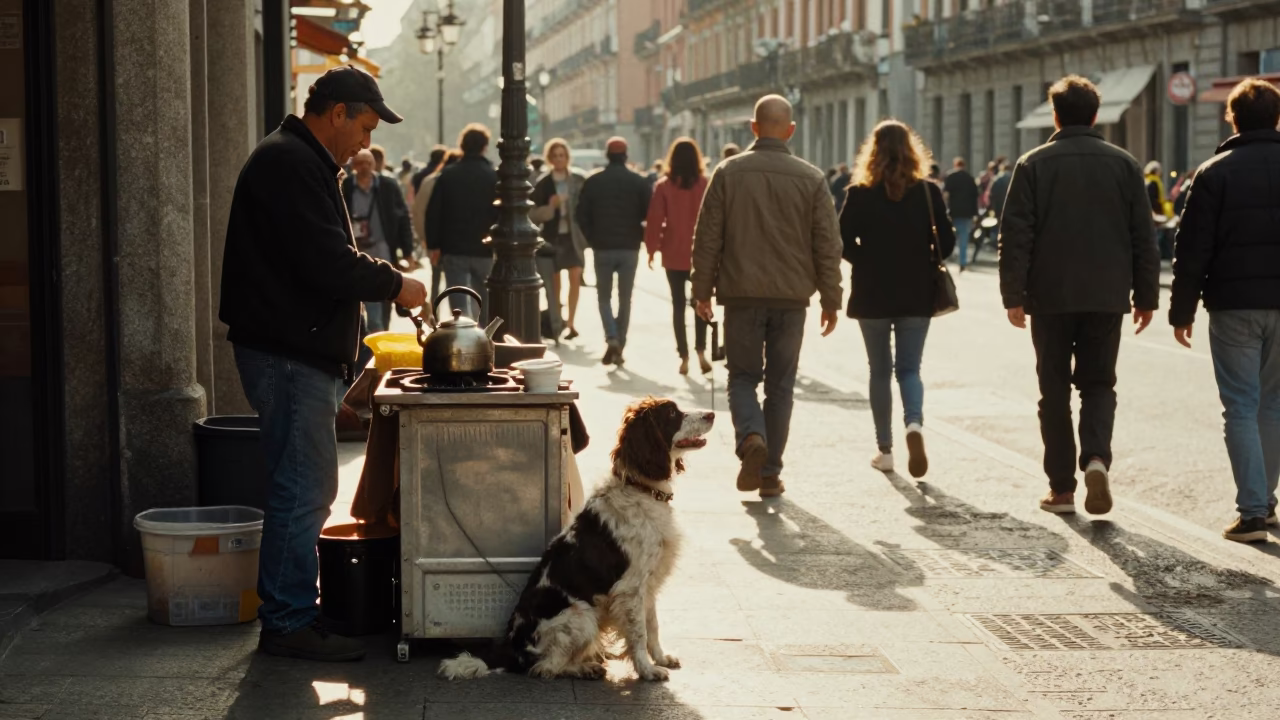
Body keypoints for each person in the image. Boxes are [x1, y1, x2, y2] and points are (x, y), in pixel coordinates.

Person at [219, 65, 427, 661]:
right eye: (363, 125)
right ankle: (287, 620)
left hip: (295, 350)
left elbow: (324, 259)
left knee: (303, 483)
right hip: (286, 354)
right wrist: (398, 285)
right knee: (304, 487)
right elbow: (328, 263)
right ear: (336, 112)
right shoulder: (288, 163)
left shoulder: (303, 161)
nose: (367, 140)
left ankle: (291, 612)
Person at [999, 74, 1160, 517]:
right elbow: (1143, 237)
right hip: (1107, 295)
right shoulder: (1125, 164)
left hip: (1049, 297)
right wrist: (1146, 295)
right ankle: (1095, 459)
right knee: (1098, 384)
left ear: (1055, 115)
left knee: (1053, 393)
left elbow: (1016, 234)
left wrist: (1013, 293)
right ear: (1095, 115)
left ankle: (1062, 489)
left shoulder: (1033, 164)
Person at [692, 94, 843, 498]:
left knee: (741, 377)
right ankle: (771, 473)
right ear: (790, 130)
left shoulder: (728, 172)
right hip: (792, 300)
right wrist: (832, 298)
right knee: (780, 386)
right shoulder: (811, 178)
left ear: (753, 128)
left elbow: (708, 237)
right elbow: (827, 244)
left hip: (741, 296)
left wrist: (701, 290)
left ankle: (750, 439)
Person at [1170, 78, 1280, 543]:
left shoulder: (1214, 172)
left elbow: (1192, 247)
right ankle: (1265, 502)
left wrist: (1181, 310)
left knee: (1240, 405)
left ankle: (1252, 511)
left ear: (1232, 117)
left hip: (1234, 306)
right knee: (1273, 403)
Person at [840, 121, 955, 478]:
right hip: (917, 293)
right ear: (911, 150)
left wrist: (866, 259)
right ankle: (914, 425)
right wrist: (920, 257)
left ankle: (885, 450)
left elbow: (841, 241)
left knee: (879, 371)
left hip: (872, 292)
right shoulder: (927, 192)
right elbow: (947, 244)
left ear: (872, 151)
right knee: (909, 369)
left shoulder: (859, 193)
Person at [575, 136, 652, 365]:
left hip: (602, 247)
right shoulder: (638, 182)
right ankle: (620, 342)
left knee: (604, 297)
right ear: (626, 155)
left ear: (607, 156)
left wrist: (592, 237)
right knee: (625, 298)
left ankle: (611, 336)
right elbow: (649, 213)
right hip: (629, 246)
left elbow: (580, 214)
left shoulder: (594, 181)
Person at [645, 137, 711, 376]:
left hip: (673, 253)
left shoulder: (664, 186)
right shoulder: (705, 184)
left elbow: (655, 220)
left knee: (677, 306)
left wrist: (652, 249)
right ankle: (701, 351)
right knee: (701, 303)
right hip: (701, 255)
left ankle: (683, 356)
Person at [425, 123, 499, 319]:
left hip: (453, 247)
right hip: (484, 247)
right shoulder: (492, 176)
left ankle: (462, 335)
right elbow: (499, 212)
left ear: (462, 146)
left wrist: (433, 244)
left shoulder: (448, 175)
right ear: (485, 146)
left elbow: (434, 212)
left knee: (458, 300)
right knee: (485, 299)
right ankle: (484, 338)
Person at [342, 148, 415, 332]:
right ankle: (376, 335)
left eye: (368, 162)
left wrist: (408, 250)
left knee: (386, 295)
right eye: (360, 163)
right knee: (370, 303)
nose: (365, 167)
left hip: (383, 248)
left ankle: (381, 332)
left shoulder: (388, 185)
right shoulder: (347, 186)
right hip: (358, 250)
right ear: (354, 166)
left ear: (374, 164)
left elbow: (403, 217)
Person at [530, 138, 588, 342]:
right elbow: (534, 215)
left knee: (575, 277)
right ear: (549, 158)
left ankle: (571, 322)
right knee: (555, 283)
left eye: (562, 155)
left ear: (567, 157)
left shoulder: (578, 180)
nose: (558, 159)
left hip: (573, 238)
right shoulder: (544, 183)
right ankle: (557, 320)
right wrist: (551, 207)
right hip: (552, 238)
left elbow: (587, 208)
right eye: (554, 156)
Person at [411, 148, 462, 303]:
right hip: (454, 241)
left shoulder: (430, 180)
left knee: (436, 278)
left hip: (434, 239)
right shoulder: (458, 181)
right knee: (457, 283)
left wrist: (424, 238)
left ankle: (434, 311)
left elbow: (418, 211)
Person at [943, 157, 978, 271]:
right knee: (964, 237)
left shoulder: (951, 177)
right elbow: (975, 197)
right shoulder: (970, 178)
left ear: (955, 165)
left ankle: (950, 257)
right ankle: (962, 261)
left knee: (952, 235)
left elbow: (946, 195)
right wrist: (975, 214)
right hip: (967, 212)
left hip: (954, 211)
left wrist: (945, 208)